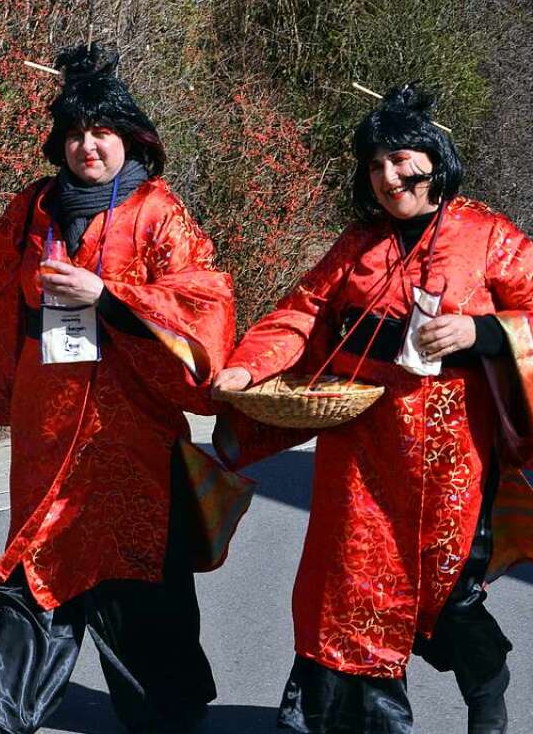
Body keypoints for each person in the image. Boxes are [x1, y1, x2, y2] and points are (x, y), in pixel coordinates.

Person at [0, 42, 236, 734]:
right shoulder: (32, 208)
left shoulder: (160, 212)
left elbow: (203, 299)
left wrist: (109, 294)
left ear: (130, 137)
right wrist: (6, 389)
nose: (86, 146)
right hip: (51, 413)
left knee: (139, 568)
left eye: (100, 132)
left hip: (131, 419)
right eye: (73, 133)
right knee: (39, 550)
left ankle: (168, 707)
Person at [212, 83, 533, 734]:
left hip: (456, 453)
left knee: (448, 594)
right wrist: (251, 364)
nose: (389, 176)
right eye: (375, 164)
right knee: (351, 587)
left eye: (402, 159)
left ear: (434, 157)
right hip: (360, 447)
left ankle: (487, 684)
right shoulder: (356, 246)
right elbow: (301, 313)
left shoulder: (487, 236)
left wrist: (480, 333)